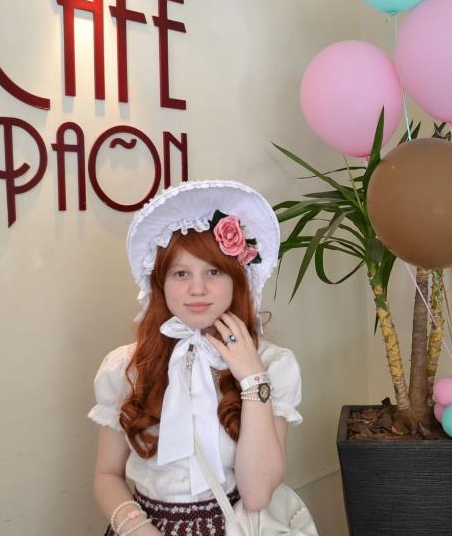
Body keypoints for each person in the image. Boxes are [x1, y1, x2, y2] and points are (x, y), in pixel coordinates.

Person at [89, 180, 304, 536]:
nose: (197, 288)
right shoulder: (124, 367)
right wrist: (139, 530)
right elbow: (106, 474)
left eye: (213, 272)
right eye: (181, 273)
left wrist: (253, 378)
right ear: (160, 283)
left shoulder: (273, 365)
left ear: (237, 279)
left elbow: (257, 494)